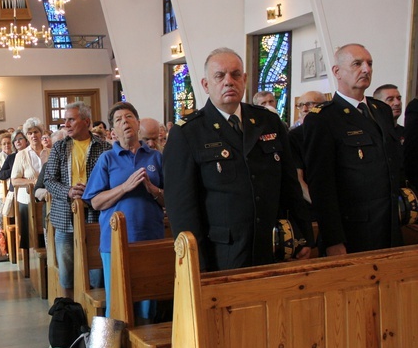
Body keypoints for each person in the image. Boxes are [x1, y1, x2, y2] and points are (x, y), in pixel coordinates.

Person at [163, 47, 312, 271]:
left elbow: (289, 185)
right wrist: (196, 264)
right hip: (222, 253)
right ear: (205, 85)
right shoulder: (188, 132)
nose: (229, 81)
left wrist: (303, 236)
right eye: (220, 76)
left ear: (244, 79)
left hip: (272, 247)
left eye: (235, 74)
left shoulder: (268, 122)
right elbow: (182, 208)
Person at [304, 43, 403, 255]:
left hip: (390, 225)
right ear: (337, 72)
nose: (366, 69)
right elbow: (321, 184)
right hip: (354, 231)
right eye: (357, 64)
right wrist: (333, 239)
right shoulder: (323, 118)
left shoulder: (381, 110)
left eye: (369, 64)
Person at [82, 102, 164, 317]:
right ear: (112, 132)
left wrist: (152, 188)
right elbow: (95, 201)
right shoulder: (107, 159)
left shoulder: (155, 157)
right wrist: (124, 187)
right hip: (115, 241)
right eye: (118, 120)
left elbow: (170, 200)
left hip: (150, 238)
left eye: (129, 117)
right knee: (119, 304)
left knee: (148, 305)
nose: (125, 122)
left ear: (138, 124)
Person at [44, 102, 111, 298]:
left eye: (71, 119)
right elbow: (49, 180)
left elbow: (109, 180)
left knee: (96, 273)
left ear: (87, 122)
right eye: (65, 120)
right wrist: (68, 191)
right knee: (67, 272)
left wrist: (93, 193)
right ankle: (69, 314)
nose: (66, 123)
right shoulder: (59, 147)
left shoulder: (104, 147)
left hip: (95, 215)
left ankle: (94, 318)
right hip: (65, 216)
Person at [11, 117, 50, 260]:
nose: (34, 135)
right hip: (27, 200)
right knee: (29, 235)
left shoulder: (50, 152)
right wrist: (33, 181)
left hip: (47, 198)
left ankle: (47, 261)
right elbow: (14, 180)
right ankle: (30, 265)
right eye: (30, 133)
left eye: (36, 132)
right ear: (27, 136)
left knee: (45, 233)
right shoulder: (21, 155)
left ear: (42, 133)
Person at [288, 90, 327, 203]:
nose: (304, 109)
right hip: (312, 205)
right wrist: (320, 205)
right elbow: (298, 179)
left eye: (310, 104)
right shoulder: (294, 136)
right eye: (300, 105)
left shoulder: (334, 130)